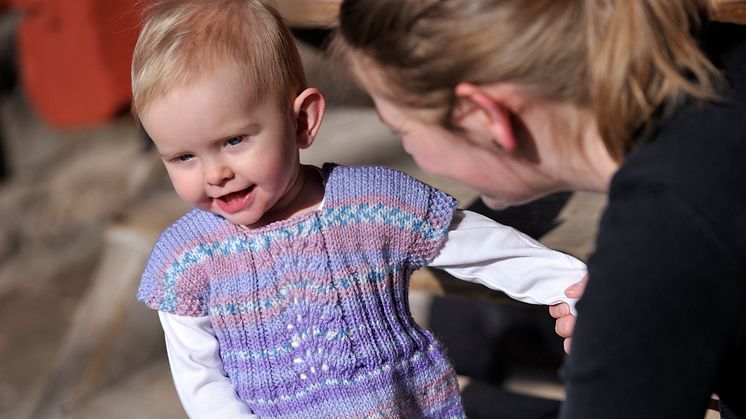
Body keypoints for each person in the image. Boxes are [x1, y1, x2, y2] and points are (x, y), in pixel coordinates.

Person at [131, 0, 588, 417]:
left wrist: (568, 284)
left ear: (301, 122)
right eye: (183, 157)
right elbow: (201, 380)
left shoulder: (370, 205)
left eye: (233, 141)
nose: (214, 174)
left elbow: (479, 247)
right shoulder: (186, 262)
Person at [333, 0, 746, 418]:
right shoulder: (725, 68)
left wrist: (626, 327)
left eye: (401, 129)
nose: (407, 150)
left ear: (482, 115)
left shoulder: (657, 241)